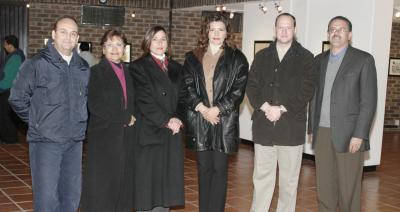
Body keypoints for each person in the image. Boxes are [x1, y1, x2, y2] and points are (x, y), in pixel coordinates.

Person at [8, 16, 90, 212]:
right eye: (63, 31)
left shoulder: (83, 68)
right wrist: (38, 123)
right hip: (46, 142)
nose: (68, 37)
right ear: (53, 35)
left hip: (74, 142)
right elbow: (17, 98)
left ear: (77, 38)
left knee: (71, 197)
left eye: (72, 33)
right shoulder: (36, 63)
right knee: (46, 200)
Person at [246, 13, 318, 212]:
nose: (284, 31)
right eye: (280, 27)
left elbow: (307, 90)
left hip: (290, 128)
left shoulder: (306, 58)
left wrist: (281, 108)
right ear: (274, 29)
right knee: (261, 179)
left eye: (288, 27)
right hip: (264, 127)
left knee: (288, 183)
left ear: (295, 30)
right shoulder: (262, 56)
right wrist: (267, 107)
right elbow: (251, 87)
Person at [309, 16, 377, 212]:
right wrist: (311, 128)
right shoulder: (318, 60)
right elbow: (314, 97)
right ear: (328, 34)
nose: (336, 32)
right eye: (332, 29)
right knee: (324, 185)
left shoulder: (363, 60)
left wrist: (360, 134)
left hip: (350, 135)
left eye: (341, 29)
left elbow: (369, 101)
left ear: (350, 34)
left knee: (349, 189)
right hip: (321, 132)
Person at [182, 13, 249, 212]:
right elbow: (186, 87)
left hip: (223, 121)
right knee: (204, 171)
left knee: (220, 171)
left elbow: (238, 90)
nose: (216, 34)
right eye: (212, 29)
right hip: (201, 120)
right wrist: (203, 109)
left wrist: (216, 109)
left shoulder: (237, 58)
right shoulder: (192, 57)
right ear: (206, 32)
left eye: (221, 29)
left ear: (227, 32)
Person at [129, 25, 184, 212]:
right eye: (155, 39)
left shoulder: (177, 67)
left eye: (163, 39)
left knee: (165, 187)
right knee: (147, 187)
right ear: (147, 42)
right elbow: (144, 100)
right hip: (150, 131)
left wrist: (178, 119)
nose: (160, 43)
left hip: (172, 132)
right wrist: (167, 120)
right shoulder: (138, 67)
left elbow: (184, 98)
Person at [80, 29, 135, 212]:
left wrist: (132, 115)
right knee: (103, 185)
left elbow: (131, 100)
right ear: (103, 49)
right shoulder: (95, 72)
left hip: (125, 137)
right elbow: (95, 105)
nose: (114, 49)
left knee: (122, 183)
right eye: (109, 45)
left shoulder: (128, 71)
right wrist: (125, 117)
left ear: (124, 48)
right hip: (104, 136)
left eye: (118, 44)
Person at [0, 35, 25, 144]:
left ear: (10, 44)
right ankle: (7, 138)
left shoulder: (15, 57)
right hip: (10, 90)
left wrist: (1, 87)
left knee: (5, 115)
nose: (4, 46)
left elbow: (8, 77)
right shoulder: (15, 55)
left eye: (5, 44)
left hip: (9, 90)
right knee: (7, 114)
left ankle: (9, 139)